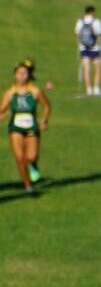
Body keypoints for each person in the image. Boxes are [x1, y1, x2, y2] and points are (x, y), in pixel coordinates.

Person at [7, 60, 50, 194]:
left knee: (31, 157)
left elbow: (47, 106)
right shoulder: (10, 92)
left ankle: (33, 164)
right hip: (15, 129)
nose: (21, 76)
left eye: (24, 73)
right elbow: (2, 109)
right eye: (19, 73)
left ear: (29, 75)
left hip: (32, 128)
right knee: (20, 158)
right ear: (15, 75)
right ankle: (27, 186)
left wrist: (44, 121)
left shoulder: (35, 91)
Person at [74, 6, 101, 96]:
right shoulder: (96, 21)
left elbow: (76, 32)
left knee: (86, 68)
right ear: (92, 12)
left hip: (83, 48)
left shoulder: (80, 21)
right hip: (95, 48)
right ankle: (96, 88)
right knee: (97, 68)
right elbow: (99, 34)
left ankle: (88, 89)